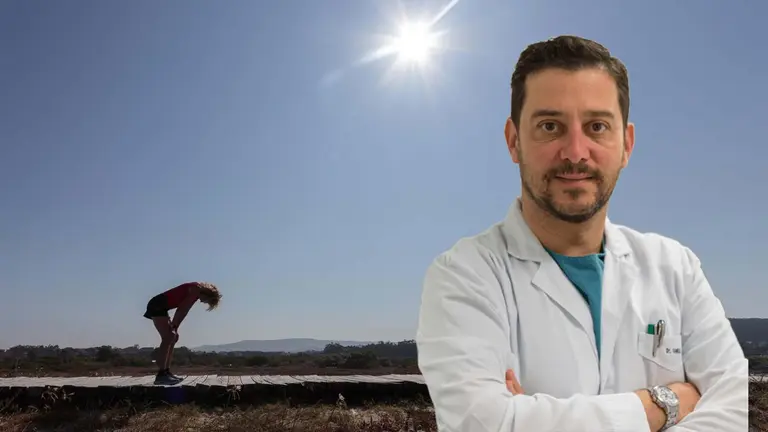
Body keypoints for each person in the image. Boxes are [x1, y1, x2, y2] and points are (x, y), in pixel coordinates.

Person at [416, 35, 748, 431]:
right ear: (513, 141)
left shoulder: (676, 267)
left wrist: (535, 418)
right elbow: (487, 424)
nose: (575, 151)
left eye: (596, 126)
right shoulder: (464, 275)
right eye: (550, 126)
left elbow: (732, 409)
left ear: (626, 144)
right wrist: (666, 403)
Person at [143, 281, 221, 385]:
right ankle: (161, 375)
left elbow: (183, 311)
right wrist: (174, 327)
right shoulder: (195, 290)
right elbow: (182, 310)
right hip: (157, 305)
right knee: (168, 337)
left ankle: (166, 372)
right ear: (206, 294)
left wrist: (175, 328)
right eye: (207, 300)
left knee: (173, 337)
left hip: (162, 307)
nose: (203, 302)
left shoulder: (196, 293)